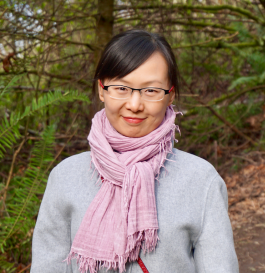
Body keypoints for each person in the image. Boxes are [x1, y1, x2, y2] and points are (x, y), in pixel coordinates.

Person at [30, 30, 239, 273]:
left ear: (169, 95)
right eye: (121, 88)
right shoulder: (65, 177)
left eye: (151, 91)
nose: (135, 105)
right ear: (102, 90)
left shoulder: (201, 181)